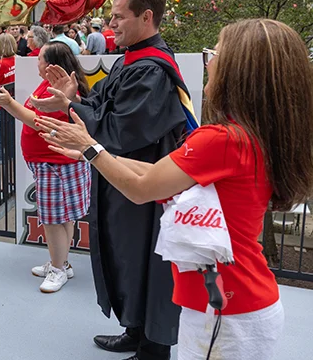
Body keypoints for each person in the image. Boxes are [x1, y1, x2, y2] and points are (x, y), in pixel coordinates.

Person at [39, 18, 312, 360]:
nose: (209, 62)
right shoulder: (248, 137)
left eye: (216, 54)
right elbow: (158, 175)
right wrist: (91, 152)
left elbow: (142, 188)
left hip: (224, 308)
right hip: (237, 301)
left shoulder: (220, 141)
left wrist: (91, 148)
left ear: (239, 72)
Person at [29, 0, 190, 360]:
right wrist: (73, 97)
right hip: (122, 182)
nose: (110, 23)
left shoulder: (151, 70)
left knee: (144, 261)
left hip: (143, 186)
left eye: (119, 16)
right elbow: (100, 108)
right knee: (125, 257)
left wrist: (75, 106)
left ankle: (153, 348)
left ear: (146, 17)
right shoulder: (131, 60)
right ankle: (134, 330)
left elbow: (120, 130)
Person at [0, 42, 91, 293]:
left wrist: (8, 103)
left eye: (40, 58)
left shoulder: (60, 90)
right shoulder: (51, 85)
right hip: (52, 163)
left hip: (57, 163)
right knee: (59, 217)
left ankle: (58, 268)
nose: (36, 61)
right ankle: (61, 263)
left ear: (52, 64)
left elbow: (38, 122)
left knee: (54, 219)